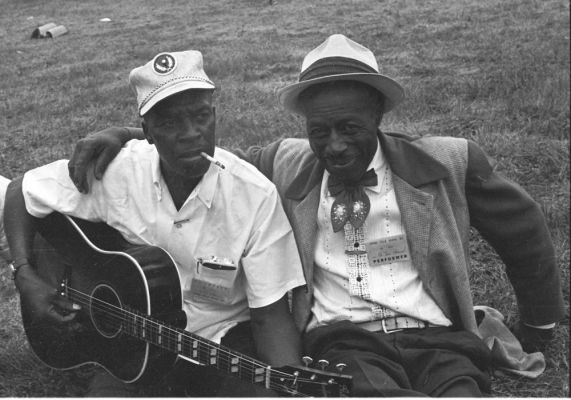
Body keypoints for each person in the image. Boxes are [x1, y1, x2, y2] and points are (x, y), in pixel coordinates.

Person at [67, 34, 565, 396]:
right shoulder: (285, 163)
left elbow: (523, 231)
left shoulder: (445, 163)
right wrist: (131, 135)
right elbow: (204, 151)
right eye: (319, 130)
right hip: (345, 340)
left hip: (439, 336)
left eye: (351, 128)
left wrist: (539, 325)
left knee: (461, 390)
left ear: (379, 117)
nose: (335, 146)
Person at [4, 50, 306, 397]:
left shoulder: (253, 196)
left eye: (200, 116)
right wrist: (25, 275)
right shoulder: (117, 171)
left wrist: (290, 382)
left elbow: (271, 317)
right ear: (146, 131)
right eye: (169, 122)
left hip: (220, 341)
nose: (190, 133)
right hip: (129, 349)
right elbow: (20, 191)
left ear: (214, 116)